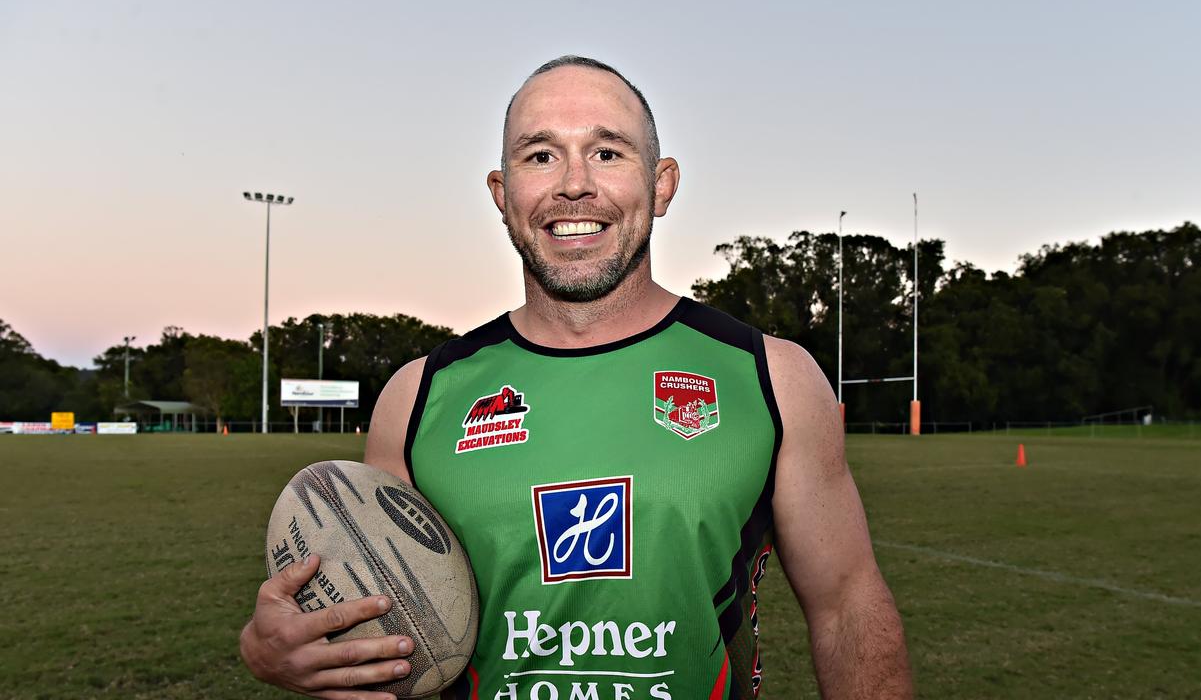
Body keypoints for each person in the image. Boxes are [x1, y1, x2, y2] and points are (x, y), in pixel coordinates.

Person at [240, 56, 912, 700]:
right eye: (540, 155)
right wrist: (278, 650)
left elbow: (848, 607)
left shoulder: (772, 377)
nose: (573, 184)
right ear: (504, 196)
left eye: (608, 152)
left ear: (662, 184)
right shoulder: (417, 399)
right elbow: (385, 636)